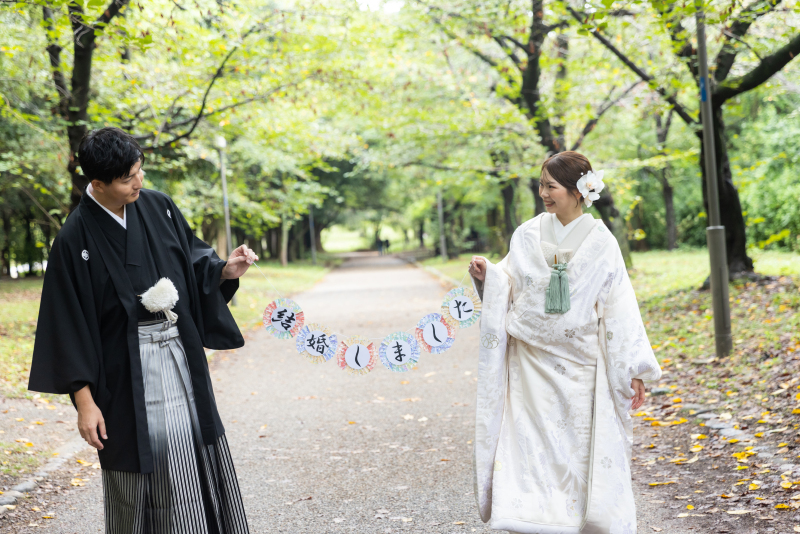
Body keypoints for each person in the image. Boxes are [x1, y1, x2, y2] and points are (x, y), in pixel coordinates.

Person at [29, 127, 255, 533]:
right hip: (122, 374)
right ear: (96, 183)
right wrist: (84, 402)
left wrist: (223, 269)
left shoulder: (159, 207)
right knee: (137, 462)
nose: (139, 182)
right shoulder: (73, 239)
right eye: (127, 178)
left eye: (140, 170)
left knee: (190, 446)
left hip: (179, 356)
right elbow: (66, 325)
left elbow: (193, 260)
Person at [468, 151, 661, 534]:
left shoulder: (602, 242)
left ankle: (574, 520)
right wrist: (487, 274)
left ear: (578, 191)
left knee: (574, 451)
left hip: (581, 366)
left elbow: (619, 307)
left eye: (550, 186)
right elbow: (508, 280)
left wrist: (634, 369)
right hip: (529, 362)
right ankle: (532, 518)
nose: (543, 193)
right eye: (541, 185)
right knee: (529, 445)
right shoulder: (526, 234)